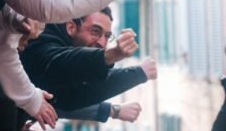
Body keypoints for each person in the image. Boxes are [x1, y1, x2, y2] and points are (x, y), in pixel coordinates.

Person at [20, 8, 154, 120]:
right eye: (95, 32)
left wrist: (139, 73)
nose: (102, 43)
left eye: (107, 36)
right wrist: (112, 55)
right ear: (71, 27)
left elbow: (78, 94)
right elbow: (59, 65)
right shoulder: (42, 37)